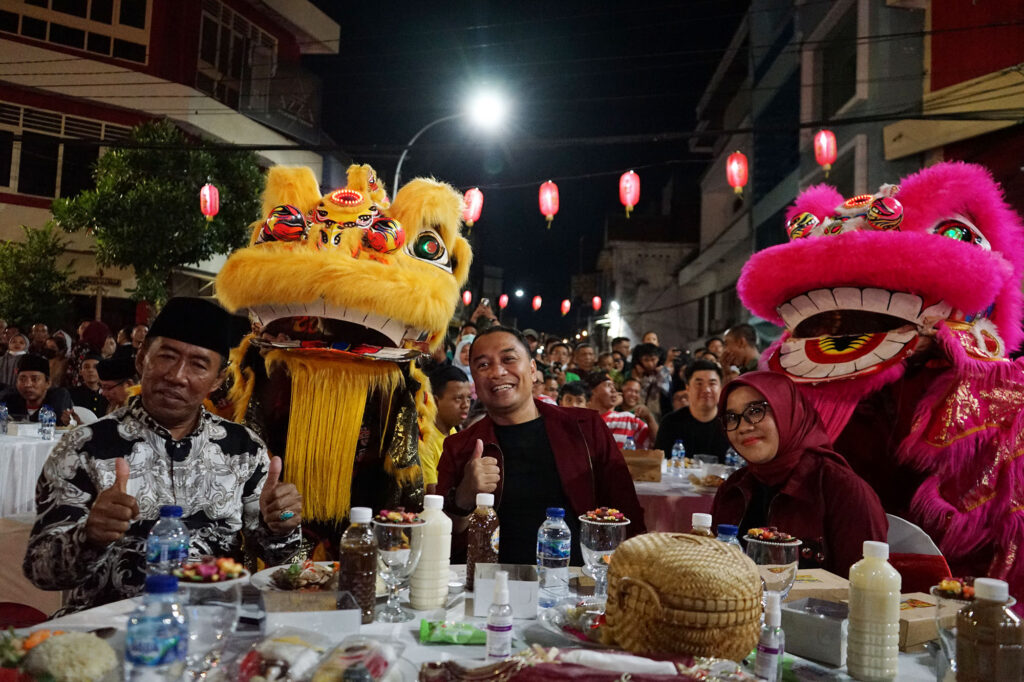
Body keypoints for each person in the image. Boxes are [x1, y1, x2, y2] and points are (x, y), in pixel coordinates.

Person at [24, 297, 302, 614]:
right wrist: (89, 537)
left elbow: (284, 561)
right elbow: (41, 571)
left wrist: (281, 525)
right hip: (110, 633)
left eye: (198, 365)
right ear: (142, 358)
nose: (177, 375)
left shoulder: (243, 448)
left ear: (218, 380)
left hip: (216, 628)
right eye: (167, 357)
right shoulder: (84, 446)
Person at [435, 327, 645, 565]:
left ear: (533, 369)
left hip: (576, 585)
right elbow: (439, 541)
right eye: (483, 365)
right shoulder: (461, 447)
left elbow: (627, 514)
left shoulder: (585, 428)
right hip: (489, 586)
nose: (497, 372)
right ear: (474, 379)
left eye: (508, 359)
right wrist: (463, 496)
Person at [711, 372, 888, 578]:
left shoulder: (840, 489)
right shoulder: (734, 488)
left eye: (756, 410)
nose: (743, 426)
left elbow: (865, 589)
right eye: (732, 417)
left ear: (788, 411)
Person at [655, 360, 731, 461]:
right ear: (688, 388)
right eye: (699, 384)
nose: (706, 390)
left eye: (712, 384)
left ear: (721, 388)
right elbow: (660, 465)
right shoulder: (670, 423)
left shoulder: (731, 423)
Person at [422, 365, 472, 491]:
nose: (465, 405)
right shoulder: (423, 438)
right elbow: (432, 493)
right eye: (458, 398)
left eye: (468, 398)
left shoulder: (453, 432)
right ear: (435, 401)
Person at [0, 353, 75, 423]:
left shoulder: (59, 397)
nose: (28, 384)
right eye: (22, 379)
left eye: (34, 379)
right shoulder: (9, 399)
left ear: (48, 383)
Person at [588, 371, 653, 449]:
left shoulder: (628, 419)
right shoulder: (579, 422)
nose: (614, 390)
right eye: (608, 386)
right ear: (592, 390)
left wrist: (649, 418)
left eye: (614, 387)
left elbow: (655, 442)